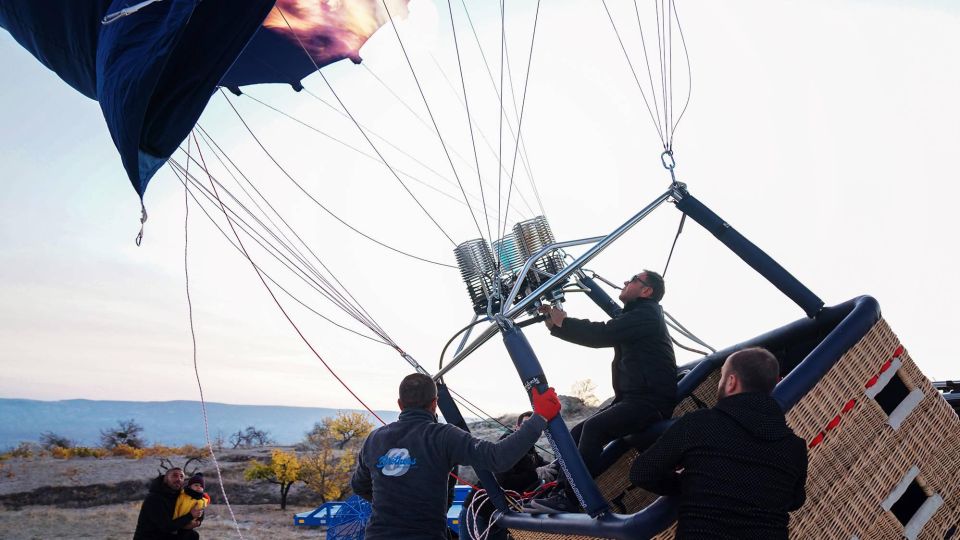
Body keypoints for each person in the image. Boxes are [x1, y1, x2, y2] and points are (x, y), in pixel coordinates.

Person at [529, 270, 677, 513]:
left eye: (632, 279)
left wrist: (564, 322)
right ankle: (560, 489)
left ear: (646, 290)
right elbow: (604, 332)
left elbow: (602, 334)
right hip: (633, 399)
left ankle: (571, 498)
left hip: (650, 401)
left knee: (594, 428)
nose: (625, 280)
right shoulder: (636, 316)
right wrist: (555, 325)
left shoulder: (647, 314)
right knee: (576, 432)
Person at [351, 372, 561, 540]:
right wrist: (540, 417)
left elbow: (359, 486)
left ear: (400, 404)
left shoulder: (374, 439)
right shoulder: (442, 436)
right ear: (434, 404)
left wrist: (394, 500)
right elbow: (498, 458)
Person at [629, 347, 808, 539]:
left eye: (722, 377)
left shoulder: (698, 423)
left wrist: (688, 482)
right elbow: (795, 500)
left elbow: (642, 472)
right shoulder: (795, 447)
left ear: (731, 382)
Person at [459, 412, 556, 539]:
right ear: (517, 427)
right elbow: (503, 482)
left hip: (499, 515)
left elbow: (547, 465)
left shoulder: (531, 451)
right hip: (479, 513)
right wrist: (535, 474)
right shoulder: (507, 448)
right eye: (526, 425)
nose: (530, 430)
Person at [133, 467, 202, 540]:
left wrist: (198, 521)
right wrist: (190, 516)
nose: (179, 479)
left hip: (167, 534)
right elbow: (167, 527)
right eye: (174, 476)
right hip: (151, 536)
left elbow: (198, 509)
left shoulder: (180, 496)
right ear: (165, 479)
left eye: (181, 477)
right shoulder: (154, 498)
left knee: (193, 535)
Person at [173, 472, 210, 539]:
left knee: (194, 535)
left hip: (190, 525)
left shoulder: (202, 500)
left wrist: (199, 521)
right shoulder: (183, 495)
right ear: (190, 486)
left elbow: (201, 512)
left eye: (201, 486)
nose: (199, 487)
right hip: (177, 522)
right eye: (196, 485)